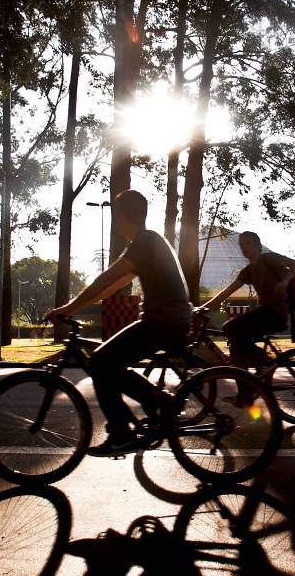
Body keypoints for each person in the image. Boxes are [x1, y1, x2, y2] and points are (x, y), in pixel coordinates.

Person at [46, 190, 190, 457]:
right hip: (171, 319)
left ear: (122, 216)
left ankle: (123, 432)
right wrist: (77, 307)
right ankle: (158, 401)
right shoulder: (149, 241)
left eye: (115, 216)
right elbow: (110, 287)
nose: (115, 222)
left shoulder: (144, 243)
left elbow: (104, 279)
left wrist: (67, 308)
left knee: (101, 362)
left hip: (163, 320)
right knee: (108, 363)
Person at [197, 231, 295, 403]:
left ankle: (265, 362)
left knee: (230, 328)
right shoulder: (248, 271)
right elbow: (227, 292)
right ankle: (246, 392)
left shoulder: (269, 259)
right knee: (236, 344)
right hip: (266, 312)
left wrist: (285, 281)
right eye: (241, 244)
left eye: (248, 243)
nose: (244, 247)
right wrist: (202, 307)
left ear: (257, 245)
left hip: (276, 313)